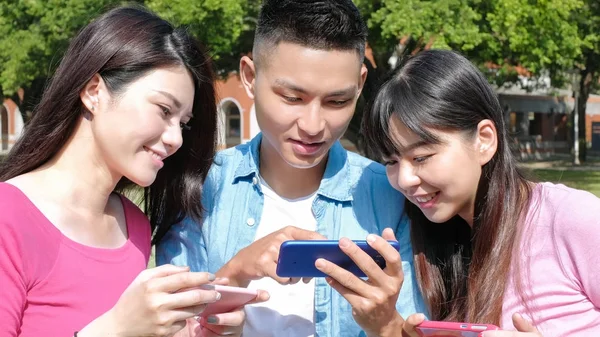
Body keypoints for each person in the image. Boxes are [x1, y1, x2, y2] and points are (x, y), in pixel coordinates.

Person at [156, 0, 427, 336]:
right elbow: (171, 326)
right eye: (292, 98)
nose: (313, 125)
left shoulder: (394, 194)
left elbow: (415, 323)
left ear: (359, 85)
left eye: (337, 101)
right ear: (250, 76)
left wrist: (385, 324)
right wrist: (237, 271)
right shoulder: (199, 185)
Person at [0, 5, 267, 337]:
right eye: (163, 110)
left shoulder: (133, 225)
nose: (174, 139)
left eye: (182, 124)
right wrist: (116, 329)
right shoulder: (8, 217)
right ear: (94, 91)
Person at [318, 49, 600, 337]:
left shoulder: (572, 218)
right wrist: (385, 327)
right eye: (390, 161)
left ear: (484, 140)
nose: (404, 179)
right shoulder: (432, 244)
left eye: (421, 157)